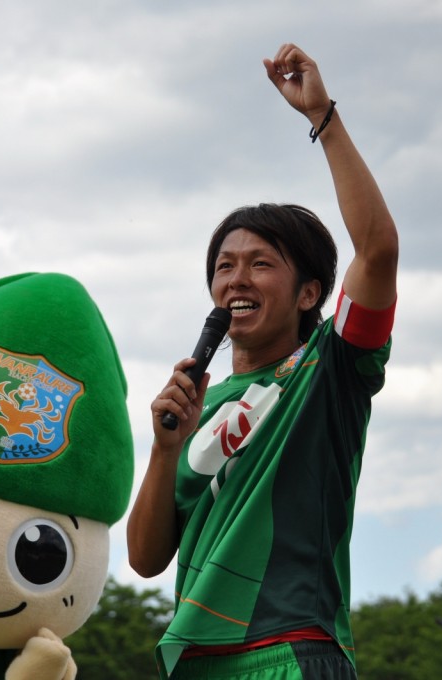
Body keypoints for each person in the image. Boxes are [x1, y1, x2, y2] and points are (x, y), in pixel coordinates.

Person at [126, 43, 398, 680]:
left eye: (261, 264)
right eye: (224, 266)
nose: (236, 279)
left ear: (308, 294)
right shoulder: (199, 407)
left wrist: (323, 117)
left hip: (291, 648)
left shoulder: (330, 366)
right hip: (194, 662)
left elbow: (378, 250)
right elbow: (144, 559)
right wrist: (164, 449)